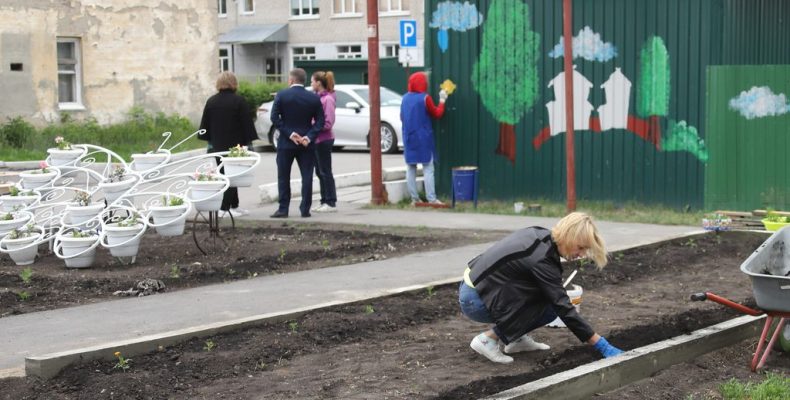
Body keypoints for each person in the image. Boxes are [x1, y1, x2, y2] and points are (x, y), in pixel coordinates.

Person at [458, 212, 624, 364]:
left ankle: (517, 339)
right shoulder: (542, 259)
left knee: (544, 293)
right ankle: (488, 339)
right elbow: (563, 307)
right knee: (552, 306)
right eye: (580, 247)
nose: (581, 254)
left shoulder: (541, 235)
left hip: (475, 287)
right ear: (569, 236)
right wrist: (602, 345)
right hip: (476, 299)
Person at [199, 71, 257, 217]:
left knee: (225, 174)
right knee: (233, 176)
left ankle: (234, 206)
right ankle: (224, 208)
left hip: (218, 146)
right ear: (234, 83)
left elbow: (205, 125)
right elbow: (246, 124)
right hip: (235, 147)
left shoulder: (211, 101)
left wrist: (209, 141)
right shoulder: (239, 101)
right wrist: (248, 143)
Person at [269, 68, 325, 218]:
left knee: (283, 176)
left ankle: (283, 209)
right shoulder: (313, 98)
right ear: (304, 80)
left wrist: (290, 133)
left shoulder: (282, 95)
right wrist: (309, 136)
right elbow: (321, 121)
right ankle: (305, 209)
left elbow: (274, 117)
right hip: (306, 144)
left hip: (286, 143)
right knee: (307, 176)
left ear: (292, 80)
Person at [400, 72, 447, 206]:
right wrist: (442, 100)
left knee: (410, 167)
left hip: (409, 138)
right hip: (423, 139)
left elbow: (401, 117)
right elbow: (437, 113)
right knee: (428, 168)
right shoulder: (425, 98)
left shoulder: (404, 98)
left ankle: (415, 199)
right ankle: (432, 199)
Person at [309, 71, 338, 213]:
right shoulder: (317, 98)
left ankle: (330, 201)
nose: (311, 84)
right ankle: (324, 200)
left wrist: (313, 126)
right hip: (316, 139)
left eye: (312, 81)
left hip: (324, 139)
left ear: (319, 83)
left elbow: (328, 122)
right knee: (320, 172)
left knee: (325, 171)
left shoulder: (327, 99)